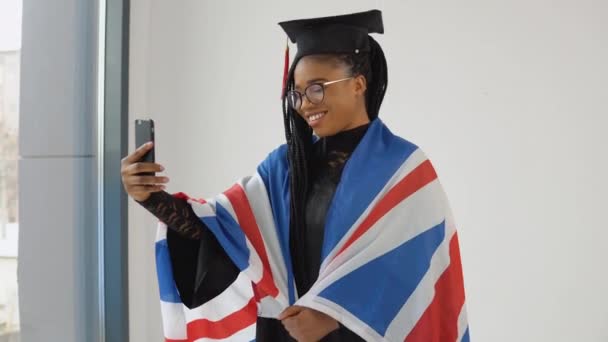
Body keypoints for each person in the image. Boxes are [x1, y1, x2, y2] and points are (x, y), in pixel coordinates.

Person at [121, 9, 469, 342]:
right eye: (297, 93)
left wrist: (331, 316)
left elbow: (417, 275)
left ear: (359, 84)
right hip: (285, 334)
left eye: (317, 87)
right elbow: (222, 235)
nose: (305, 104)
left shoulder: (405, 169)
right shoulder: (285, 166)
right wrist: (151, 197)